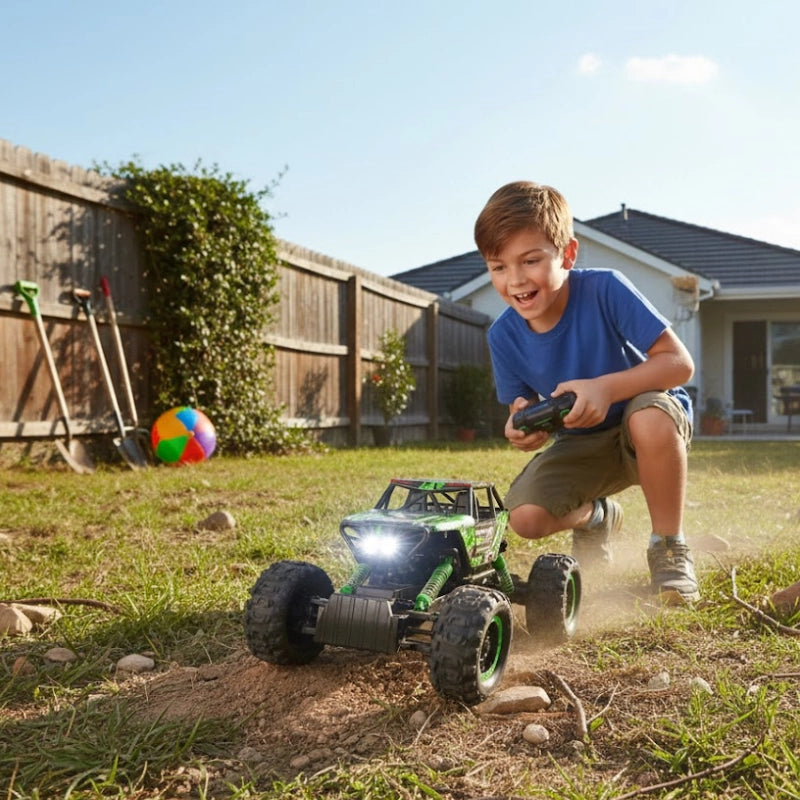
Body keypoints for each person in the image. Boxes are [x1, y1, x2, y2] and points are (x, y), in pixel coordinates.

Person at [474, 180, 699, 604]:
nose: (515, 280)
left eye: (530, 260)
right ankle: (598, 518)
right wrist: (523, 426)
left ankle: (669, 548)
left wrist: (604, 388)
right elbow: (521, 406)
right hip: (583, 440)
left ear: (568, 254)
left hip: (650, 429)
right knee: (524, 517)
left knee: (647, 415)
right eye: (498, 267)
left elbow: (679, 363)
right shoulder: (502, 335)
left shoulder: (605, 289)